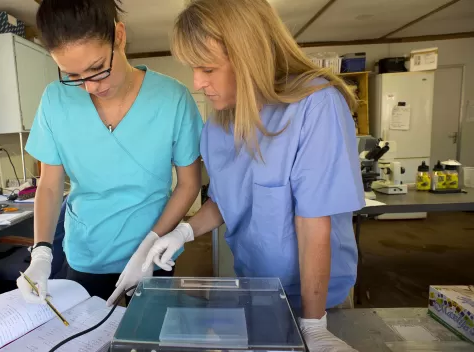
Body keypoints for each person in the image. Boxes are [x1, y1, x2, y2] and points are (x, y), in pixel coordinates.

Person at [142, 0, 365, 351]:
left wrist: (314, 323)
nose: (197, 83)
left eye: (208, 69)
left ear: (249, 56)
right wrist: (184, 231)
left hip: (320, 301)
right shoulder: (218, 125)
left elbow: (313, 223)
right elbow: (226, 201)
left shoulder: (315, 105)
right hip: (257, 290)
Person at [17, 0, 203, 307]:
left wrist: (149, 245)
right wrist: (41, 252)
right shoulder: (54, 100)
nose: (89, 87)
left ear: (119, 35)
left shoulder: (172, 99)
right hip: (85, 253)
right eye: (73, 75)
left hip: (152, 254)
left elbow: (188, 184)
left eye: (97, 68)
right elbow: (49, 185)